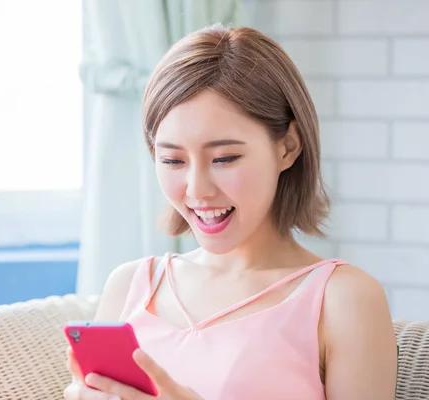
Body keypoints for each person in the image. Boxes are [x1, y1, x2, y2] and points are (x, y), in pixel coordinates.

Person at [64, 25, 397, 400]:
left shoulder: (343, 299)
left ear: (287, 147)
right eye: (172, 159)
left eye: (224, 158)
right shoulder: (129, 285)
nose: (197, 189)